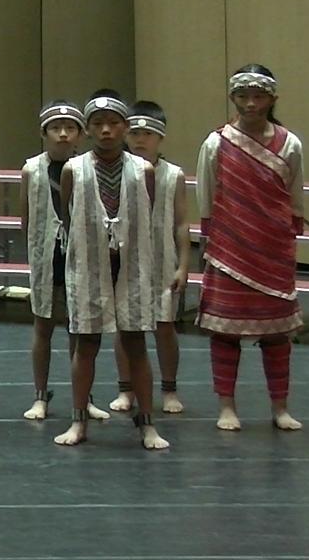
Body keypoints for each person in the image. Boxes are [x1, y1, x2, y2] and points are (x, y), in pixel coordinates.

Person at [51, 93, 169, 451]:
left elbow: (146, 213)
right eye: (98, 123)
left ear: (125, 127)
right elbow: (69, 216)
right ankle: (78, 419)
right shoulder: (74, 170)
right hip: (90, 263)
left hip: (131, 264)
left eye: (114, 123)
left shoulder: (143, 170)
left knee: (136, 342)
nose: (106, 130)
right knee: (86, 343)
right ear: (87, 129)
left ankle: (147, 422)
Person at [196, 64, 304, 432]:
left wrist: (289, 232)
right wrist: (212, 233)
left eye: (258, 96)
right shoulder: (217, 142)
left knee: (277, 334)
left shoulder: (290, 144)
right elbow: (207, 192)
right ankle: (226, 406)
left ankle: (280, 407)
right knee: (226, 331)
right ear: (233, 98)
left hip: (273, 246)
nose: (250, 104)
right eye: (243, 96)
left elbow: (295, 193)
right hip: (230, 247)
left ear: (272, 99)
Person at [19, 102, 109, 422]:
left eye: (70, 128)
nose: (62, 134)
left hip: (80, 254)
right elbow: (26, 218)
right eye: (55, 128)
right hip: (46, 255)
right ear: (44, 133)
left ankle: (84, 398)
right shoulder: (31, 169)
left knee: (79, 329)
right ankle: (40, 395)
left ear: (80, 135)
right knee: (42, 326)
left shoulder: (89, 168)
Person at [113, 100, 189, 416]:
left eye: (148, 134)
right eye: (135, 133)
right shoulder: (117, 171)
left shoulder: (173, 176)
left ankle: (169, 388)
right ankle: (126, 388)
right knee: (125, 328)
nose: (141, 139)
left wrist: (184, 265)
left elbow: (181, 223)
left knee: (164, 326)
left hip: (162, 260)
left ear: (160, 137)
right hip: (126, 260)